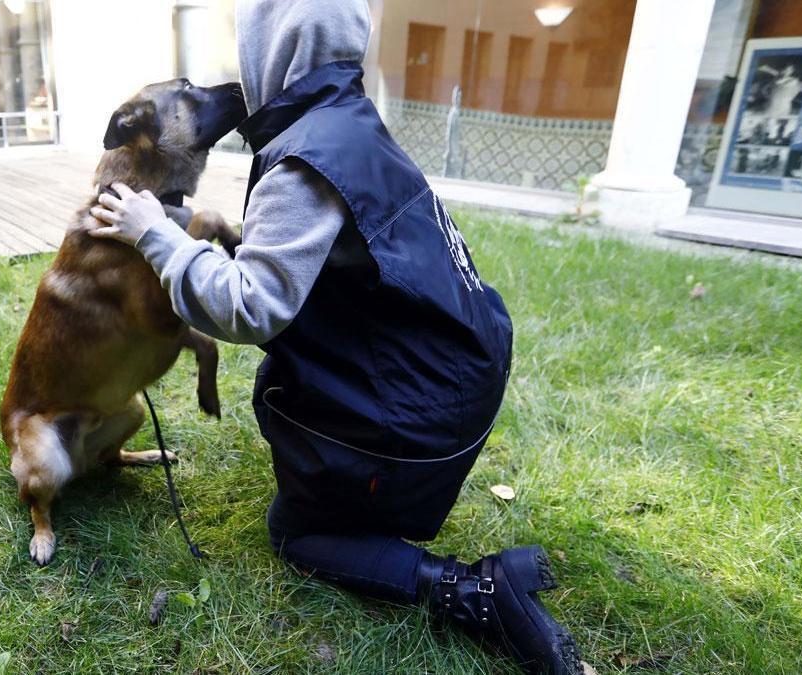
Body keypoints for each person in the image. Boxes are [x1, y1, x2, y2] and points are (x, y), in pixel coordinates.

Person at [89, 1, 581, 672]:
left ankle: (473, 590)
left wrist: (157, 235)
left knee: (295, 530)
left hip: (426, 420)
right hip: (459, 378)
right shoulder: (346, 123)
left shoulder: (301, 162)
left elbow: (249, 307)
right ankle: (393, 498)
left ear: (275, 48)